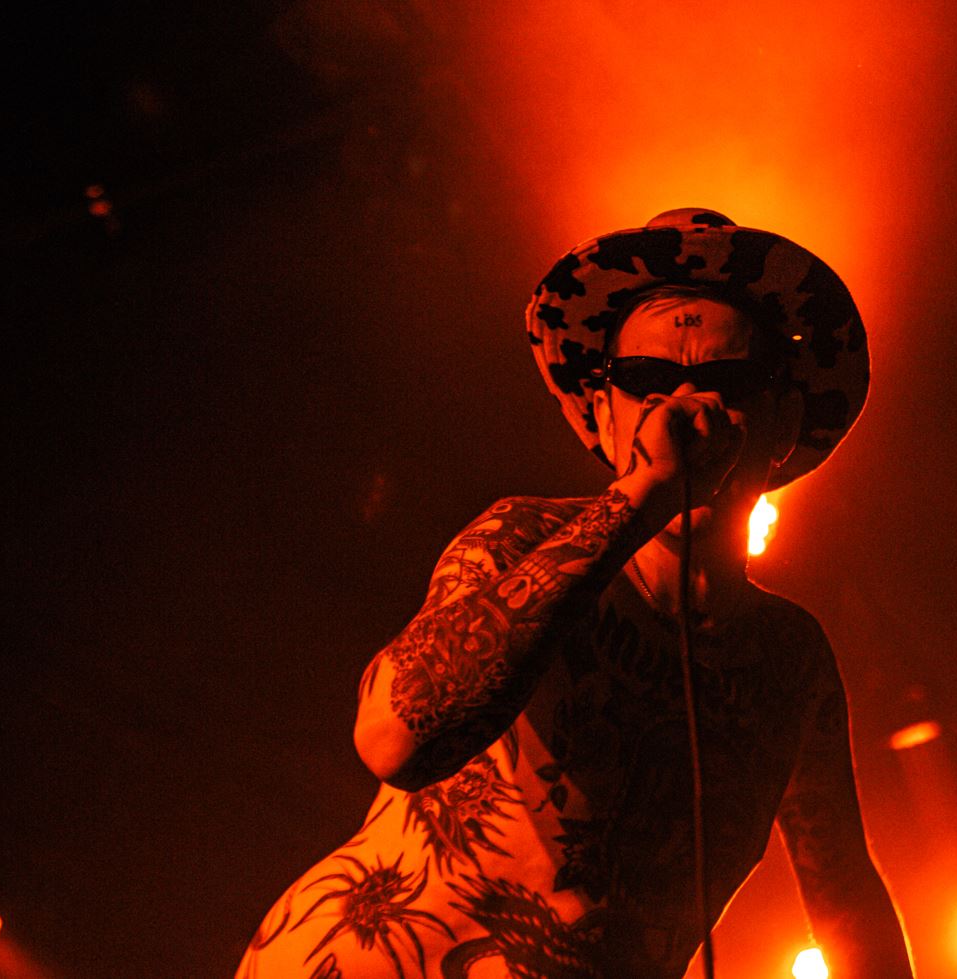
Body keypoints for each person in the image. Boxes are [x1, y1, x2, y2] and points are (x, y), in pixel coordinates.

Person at [236, 209, 912, 978]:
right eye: (646, 381)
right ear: (602, 414)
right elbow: (395, 736)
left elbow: (844, 897)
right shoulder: (519, 537)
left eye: (727, 382)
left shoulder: (789, 659)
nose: (683, 408)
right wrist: (641, 496)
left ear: (782, 420)